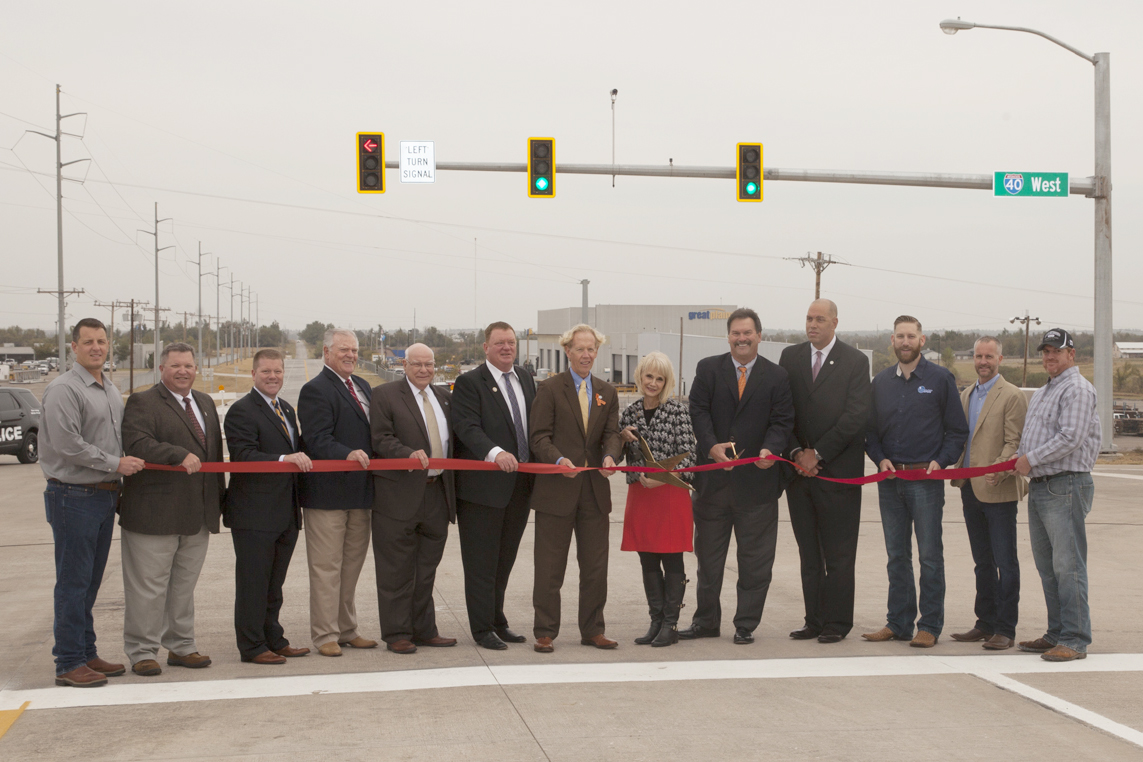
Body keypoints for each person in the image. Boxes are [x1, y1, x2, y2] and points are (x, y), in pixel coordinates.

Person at [39, 318, 145, 687]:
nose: (96, 347)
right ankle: (68, 662)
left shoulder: (109, 388)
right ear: (74, 347)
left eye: (101, 341)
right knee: (72, 583)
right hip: (73, 496)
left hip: (102, 496)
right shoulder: (64, 389)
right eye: (88, 342)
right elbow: (68, 445)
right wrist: (116, 464)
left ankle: (85, 652)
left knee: (89, 583)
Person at [680, 308, 795, 645]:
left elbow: (782, 421)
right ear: (727, 336)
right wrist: (711, 446)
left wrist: (770, 451)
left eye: (748, 333)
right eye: (736, 333)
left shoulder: (777, 377)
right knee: (709, 563)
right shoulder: (708, 369)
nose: (742, 339)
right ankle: (705, 622)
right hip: (712, 487)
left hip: (757, 489)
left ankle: (745, 624)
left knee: (755, 564)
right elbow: (697, 410)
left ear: (759, 336)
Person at [119, 342, 225, 676]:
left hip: (198, 515)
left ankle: (181, 645)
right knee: (148, 587)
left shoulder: (205, 403)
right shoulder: (143, 402)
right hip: (154, 513)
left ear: (197, 369)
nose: (183, 371)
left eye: (189, 366)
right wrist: (175, 453)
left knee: (183, 587)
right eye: (176, 365)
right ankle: (142, 651)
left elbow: (215, 459)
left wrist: (218, 505)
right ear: (162, 368)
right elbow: (136, 443)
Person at [864, 316, 968, 648]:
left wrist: (941, 460)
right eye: (899, 337)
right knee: (896, 556)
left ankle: (930, 625)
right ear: (892, 341)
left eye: (911, 336)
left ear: (922, 340)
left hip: (925, 481)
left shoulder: (940, 379)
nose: (905, 342)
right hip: (890, 481)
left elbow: (957, 431)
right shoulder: (880, 382)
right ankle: (898, 622)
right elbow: (869, 432)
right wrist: (879, 457)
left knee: (929, 556)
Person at [779, 299, 870, 644]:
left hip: (837, 475)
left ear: (834, 323)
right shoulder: (791, 358)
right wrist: (796, 454)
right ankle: (813, 620)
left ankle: (837, 623)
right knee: (809, 554)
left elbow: (856, 416)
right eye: (808, 318)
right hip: (798, 477)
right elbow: (783, 411)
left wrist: (818, 454)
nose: (812, 325)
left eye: (819, 319)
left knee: (839, 555)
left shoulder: (855, 361)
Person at [529, 324, 622, 653]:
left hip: (594, 494)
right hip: (556, 491)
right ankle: (545, 631)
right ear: (567, 351)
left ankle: (593, 629)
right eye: (580, 349)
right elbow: (539, 437)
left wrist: (611, 455)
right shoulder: (550, 389)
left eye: (591, 349)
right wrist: (559, 461)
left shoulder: (607, 392)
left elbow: (612, 433)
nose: (586, 354)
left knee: (596, 568)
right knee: (550, 567)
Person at [1013, 328, 1101, 662]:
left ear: (1071, 354)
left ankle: (1076, 638)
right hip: (1042, 486)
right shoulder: (1045, 391)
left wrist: (1029, 460)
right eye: (1046, 351)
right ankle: (1057, 632)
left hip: (1066, 486)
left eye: (1056, 351)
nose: (1050, 357)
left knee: (1068, 566)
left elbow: (1070, 438)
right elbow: (1030, 439)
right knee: (1048, 567)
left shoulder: (1077, 389)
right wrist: (1016, 464)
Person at [223, 348, 313, 664]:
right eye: (266, 372)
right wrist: (282, 459)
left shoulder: (285, 409)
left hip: (285, 512)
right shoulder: (241, 411)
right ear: (253, 374)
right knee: (253, 584)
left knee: (274, 585)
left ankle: (274, 638)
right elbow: (243, 455)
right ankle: (252, 646)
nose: (273, 377)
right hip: (254, 515)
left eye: (277, 371)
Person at [452, 322, 537, 650]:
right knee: (481, 563)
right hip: (482, 491)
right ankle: (482, 628)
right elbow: (466, 426)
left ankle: (498, 619)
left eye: (511, 342)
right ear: (486, 347)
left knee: (504, 561)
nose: (506, 348)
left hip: (519, 488)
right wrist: (495, 452)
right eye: (499, 343)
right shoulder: (470, 382)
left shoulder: (526, 379)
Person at [370, 343, 458, 654]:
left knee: (426, 569)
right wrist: (407, 454)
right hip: (398, 496)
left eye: (429, 365)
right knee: (396, 570)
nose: (424, 370)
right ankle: (397, 633)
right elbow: (380, 438)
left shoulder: (445, 397)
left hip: (437, 494)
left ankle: (424, 629)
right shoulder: (385, 395)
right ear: (404, 365)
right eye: (417, 364)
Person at [297, 328, 378, 657]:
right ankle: (325, 634)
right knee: (326, 568)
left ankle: (347, 629)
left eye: (354, 350)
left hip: (360, 494)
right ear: (326, 353)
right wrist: (345, 453)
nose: (350, 355)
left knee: (351, 567)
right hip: (328, 495)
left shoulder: (363, 386)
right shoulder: (315, 390)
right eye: (343, 349)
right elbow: (316, 438)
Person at [949, 337, 1028, 650]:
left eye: (989, 356)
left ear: (1000, 358)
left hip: (999, 488)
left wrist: (997, 469)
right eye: (978, 356)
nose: (983, 361)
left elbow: (1015, 442)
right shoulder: (967, 394)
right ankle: (985, 623)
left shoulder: (1012, 395)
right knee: (982, 561)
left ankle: (1005, 628)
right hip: (970, 489)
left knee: (1005, 562)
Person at [618, 351, 695, 647]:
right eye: (649, 376)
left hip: (670, 494)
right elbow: (625, 457)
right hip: (641, 494)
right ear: (640, 377)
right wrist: (634, 465)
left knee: (671, 557)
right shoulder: (631, 412)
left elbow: (691, 459)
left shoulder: (677, 411)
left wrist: (660, 476)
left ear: (667, 382)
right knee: (647, 558)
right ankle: (656, 620)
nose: (653, 383)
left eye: (659, 378)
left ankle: (671, 624)